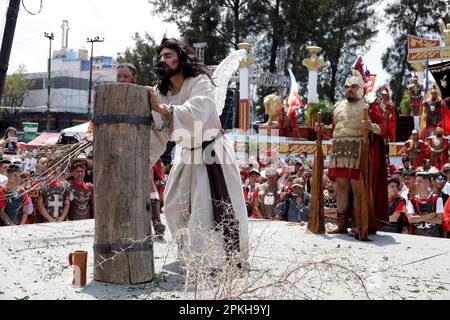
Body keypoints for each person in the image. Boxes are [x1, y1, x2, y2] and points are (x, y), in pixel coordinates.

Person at [146, 38, 248, 267]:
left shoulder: (200, 82)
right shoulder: (160, 92)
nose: (164, 60)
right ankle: (189, 254)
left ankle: (215, 260)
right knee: (173, 206)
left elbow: (198, 112)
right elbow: (158, 131)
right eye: (161, 57)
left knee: (207, 209)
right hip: (186, 153)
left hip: (212, 151)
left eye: (169, 55)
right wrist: (143, 161)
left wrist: (161, 109)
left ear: (181, 58)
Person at [316, 66, 389, 240]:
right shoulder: (338, 105)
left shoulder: (370, 105)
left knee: (358, 189)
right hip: (339, 147)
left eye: (354, 86)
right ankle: (341, 224)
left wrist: (371, 126)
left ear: (362, 88)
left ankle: (358, 223)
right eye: (347, 86)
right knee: (341, 187)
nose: (350, 89)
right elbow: (335, 129)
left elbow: (384, 129)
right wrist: (321, 129)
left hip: (359, 148)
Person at [406, 172, 443, 237]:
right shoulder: (412, 200)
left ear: (427, 183)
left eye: (420, 181)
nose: (416, 184)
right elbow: (410, 219)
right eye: (416, 181)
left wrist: (418, 218)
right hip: (417, 236)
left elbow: (439, 220)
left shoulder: (437, 199)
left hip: (434, 237)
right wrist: (428, 217)